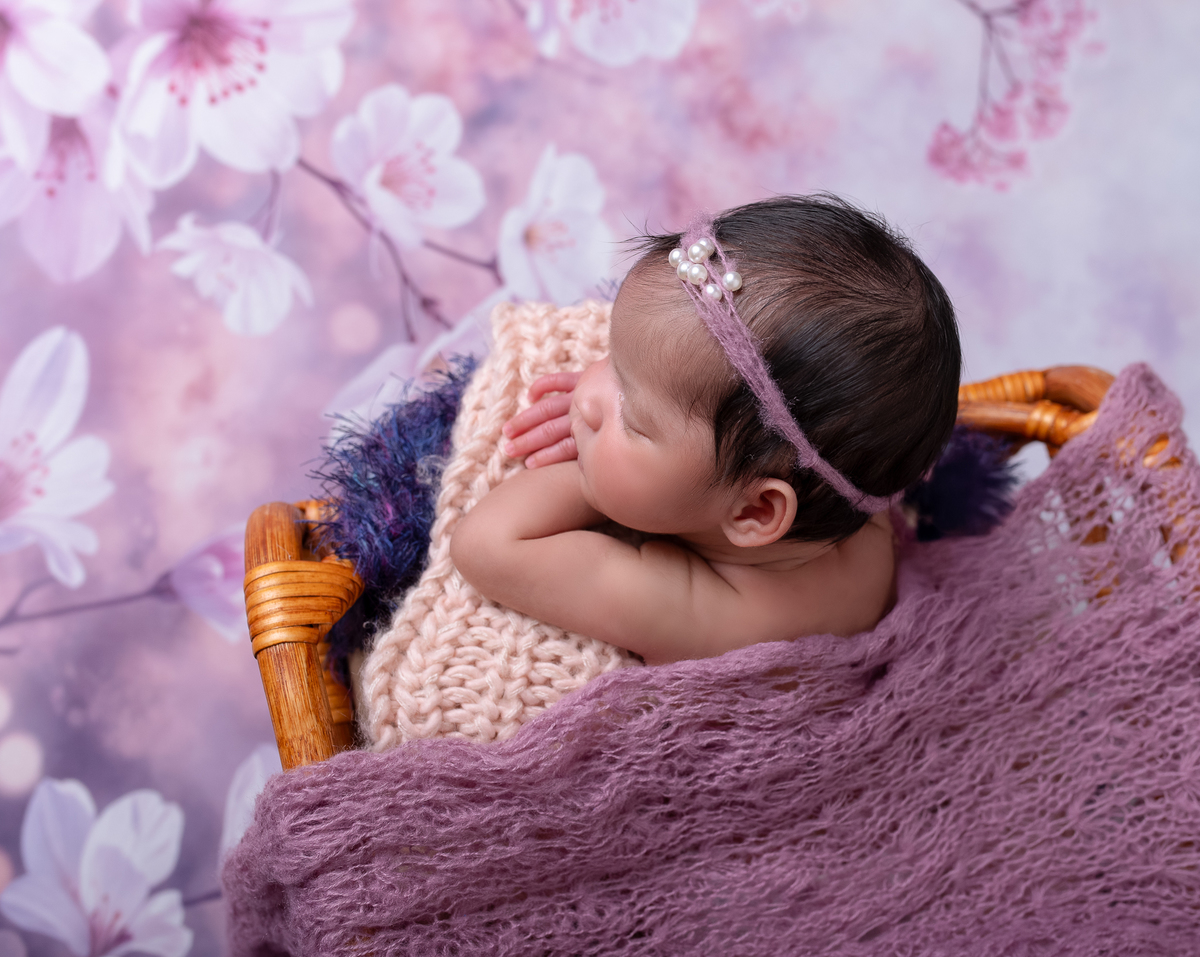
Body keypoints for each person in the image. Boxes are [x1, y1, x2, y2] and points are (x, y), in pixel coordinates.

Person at [450, 195, 961, 665]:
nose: (585, 396)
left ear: (756, 510)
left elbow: (486, 546)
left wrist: (586, 478)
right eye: (611, 359)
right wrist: (627, 414)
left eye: (633, 419)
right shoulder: (845, 486)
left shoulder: (719, 617)